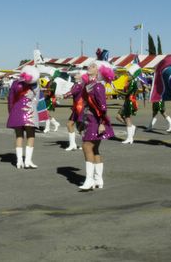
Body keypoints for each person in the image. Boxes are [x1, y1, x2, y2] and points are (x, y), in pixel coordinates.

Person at [79, 61, 115, 190]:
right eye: (89, 65)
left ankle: (89, 180)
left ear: (99, 71)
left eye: (93, 66)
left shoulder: (98, 86)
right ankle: (98, 179)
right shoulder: (88, 85)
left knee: (86, 146)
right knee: (94, 149)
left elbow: (103, 107)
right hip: (88, 120)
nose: (90, 67)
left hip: (96, 121)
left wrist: (102, 123)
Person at [6, 66, 40, 169]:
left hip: (16, 111)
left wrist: (11, 112)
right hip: (30, 111)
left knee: (19, 136)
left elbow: (10, 99)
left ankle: (19, 162)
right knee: (31, 135)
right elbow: (36, 100)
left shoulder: (15, 83)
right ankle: (28, 161)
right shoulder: (35, 84)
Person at [60, 72, 85, 151]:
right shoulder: (78, 84)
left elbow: (72, 92)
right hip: (77, 107)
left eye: (77, 74)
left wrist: (63, 95)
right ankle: (73, 144)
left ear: (81, 76)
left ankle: (83, 144)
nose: (75, 75)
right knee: (74, 125)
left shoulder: (78, 85)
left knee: (77, 126)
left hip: (80, 108)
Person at [116, 65, 140, 144]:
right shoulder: (129, 82)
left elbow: (127, 93)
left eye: (129, 74)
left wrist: (117, 91)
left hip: (130, 101)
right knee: (118, 116)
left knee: (127, 118)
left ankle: (130, 138)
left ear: (133, 74)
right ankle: (132, 127)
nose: (128, 75)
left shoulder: (133, 82)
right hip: (127, 101)